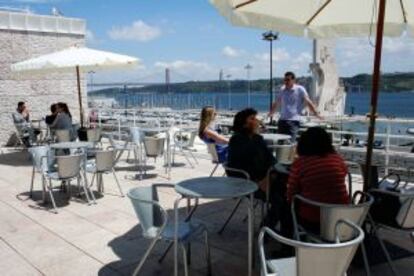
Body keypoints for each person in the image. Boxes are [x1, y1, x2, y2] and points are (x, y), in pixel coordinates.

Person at [286, 127, 350, 233]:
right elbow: (344, 173)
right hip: (341, 219)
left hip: (313, 221)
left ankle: (288, 245)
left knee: (285, 207)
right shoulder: (337, 159)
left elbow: (290, 194)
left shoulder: (300, 163)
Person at [227, 108, 276, 195]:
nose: (257, 121)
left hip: (265, 177)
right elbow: (248, 163)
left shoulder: (257, 138)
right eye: (252, 118)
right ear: (244, 124)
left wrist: (270, 175)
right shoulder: (237, 140)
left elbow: (270, 159)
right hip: (248, 180)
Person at [269, 71, 322, 142]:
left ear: (293, 80)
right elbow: (277, 102)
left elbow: (308, 101)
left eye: (288, 80)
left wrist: (316, 113)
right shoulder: (282, 89)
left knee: (290, 143)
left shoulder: (300, 89)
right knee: (280, 143)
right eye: (285, 80)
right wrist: (271, 112)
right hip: (282, 121)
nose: (286, 82)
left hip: (293, 121)